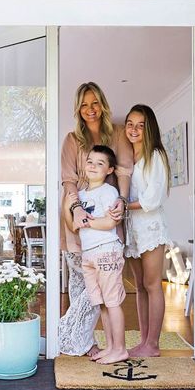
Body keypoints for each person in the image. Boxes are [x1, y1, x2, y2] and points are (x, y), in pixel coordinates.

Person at [59, 82, 133, 357]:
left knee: (107, 288)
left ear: (102, 104)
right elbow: (68, 179)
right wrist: (76, 208)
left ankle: (72, 336)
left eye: (94, 103)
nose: (90, 110)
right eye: (84, 104)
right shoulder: (71, 139)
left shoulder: (117, 135)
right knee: (81, 283)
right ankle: (83, 341)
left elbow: (124, 172)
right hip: (76, 210)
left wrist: (122, 202)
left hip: (107, 215)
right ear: (78, 108)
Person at [67, 145, 128, 364]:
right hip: (89, 254)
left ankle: (120, 349)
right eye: (90, 161)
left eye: (100, 163)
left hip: (107, 251)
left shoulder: (108, 192)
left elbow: (111, 222)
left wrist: (87, 220)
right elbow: (73, 222)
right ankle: (111, 346)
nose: (93, 166)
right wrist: (79, 216)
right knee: (101, 302)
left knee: (112, 302)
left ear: (110, 170)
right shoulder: (81, 195)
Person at [124, 104, 172, 357]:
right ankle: (144, 341)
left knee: (153, 285)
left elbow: (152, 199)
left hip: (150, 227)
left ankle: (152, 344)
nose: (133, 129)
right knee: (140, 286)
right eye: (130, 124)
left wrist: (122, 206)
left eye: (140, 125)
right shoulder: (126, 156)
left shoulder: (155, 155)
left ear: (149, 128)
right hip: (132, 229)